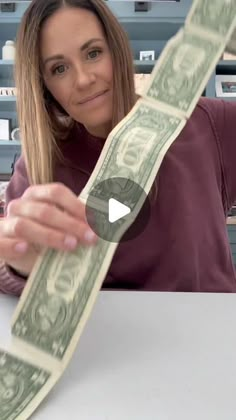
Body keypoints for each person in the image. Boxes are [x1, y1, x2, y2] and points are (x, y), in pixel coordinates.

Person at [0, 0, 236, 296]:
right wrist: (20, 266)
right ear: (44, 86)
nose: (84, 79)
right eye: (59, 68)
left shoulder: (206, 124)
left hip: (210, 334)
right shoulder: (38, 166)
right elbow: (10, 271)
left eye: (94, 53)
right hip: (106, 339)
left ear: (117, 51)